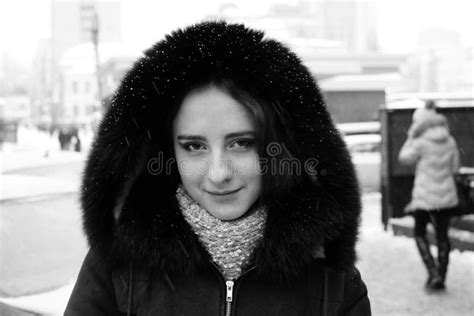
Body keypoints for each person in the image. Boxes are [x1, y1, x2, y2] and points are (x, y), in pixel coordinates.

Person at [65, 21, 370, 315]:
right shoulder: (118, 263)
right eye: (194, 147)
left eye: (242, 144)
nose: (218, 173)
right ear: (167, 151)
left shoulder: (333, 281)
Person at [399, 100, 460, 292]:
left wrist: (410, 136)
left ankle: (432, 272)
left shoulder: (419, 142)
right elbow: (455, 168)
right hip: (446, 198)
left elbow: (404, 158)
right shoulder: (450, 140)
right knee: (443, 237)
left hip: (424, 199)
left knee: (419, 233)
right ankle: (441, 275)